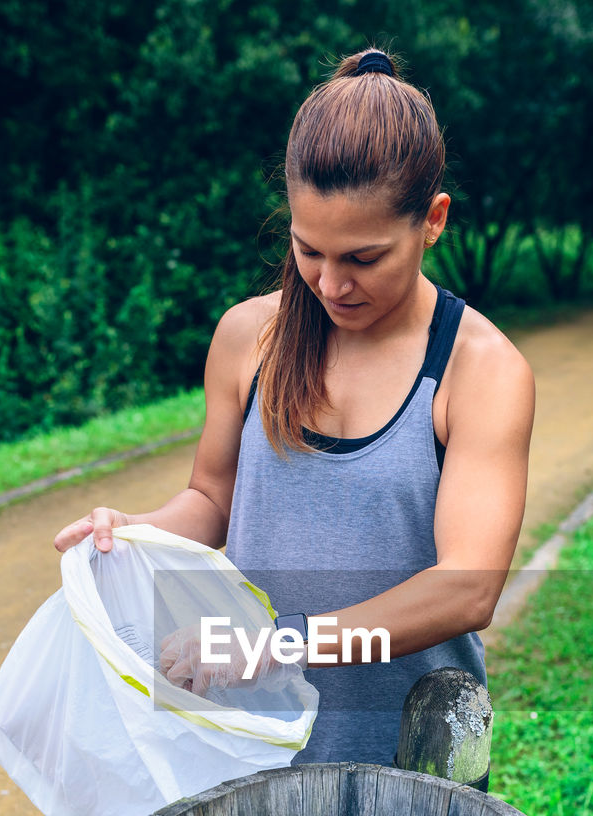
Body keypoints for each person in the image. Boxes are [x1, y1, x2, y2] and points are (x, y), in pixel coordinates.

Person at [55, 46, 534, 769]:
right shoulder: (248, 336)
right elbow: (211, 500)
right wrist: (136, 531)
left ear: (432, 220)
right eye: (308, 250)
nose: (330, 283)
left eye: (363, 258)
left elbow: (465, 592)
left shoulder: (479, 371)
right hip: (253, 744)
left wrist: (281, 641)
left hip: (409, 763)